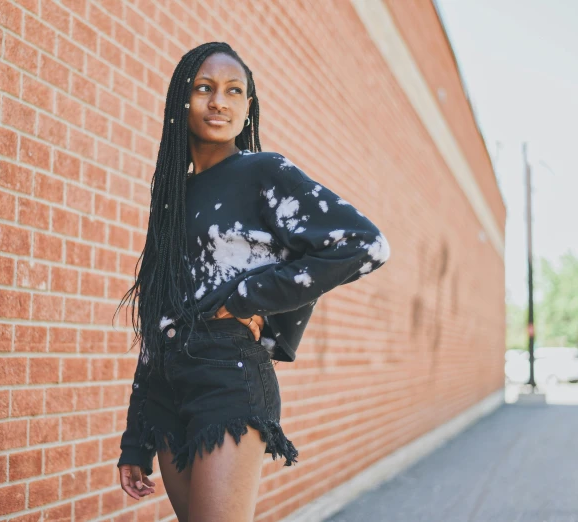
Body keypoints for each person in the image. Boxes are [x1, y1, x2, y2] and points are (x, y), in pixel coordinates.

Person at [114, 42, 390, 521]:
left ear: (247, 107)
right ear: (183, 98)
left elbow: (365, 245)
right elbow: (156, 316)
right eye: (205, 88)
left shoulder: (263, 172)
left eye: (233, 91)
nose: (218, 101)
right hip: (167, 387)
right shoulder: (171, 197)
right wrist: (135, 437)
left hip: (228, 375)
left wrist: (250, 296)